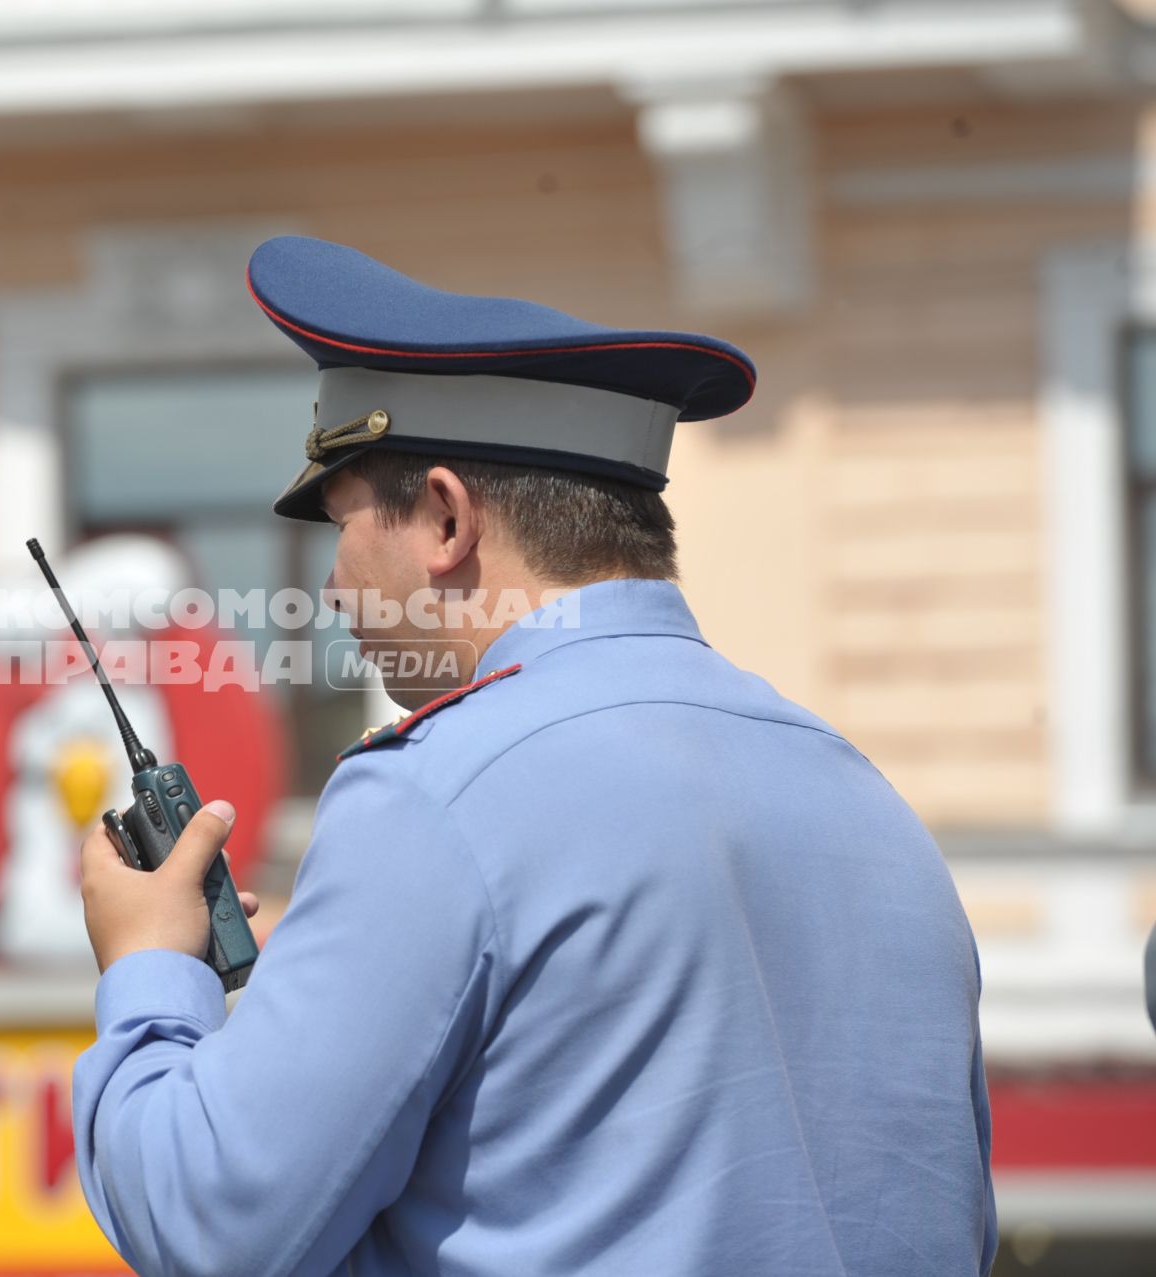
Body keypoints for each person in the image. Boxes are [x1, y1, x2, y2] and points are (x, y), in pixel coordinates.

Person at [69, 235, 998, 1277]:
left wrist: (150, 965)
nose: (331, 588)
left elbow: (209, 1225)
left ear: (447, 517)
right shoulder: (860, 794)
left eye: (343, 526)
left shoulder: (434, 792)